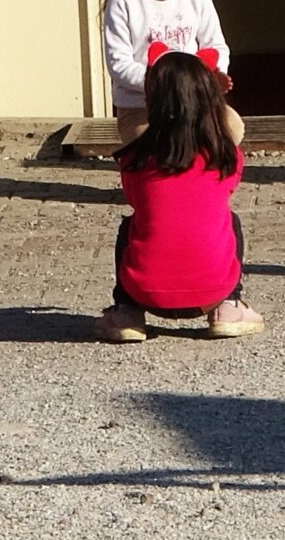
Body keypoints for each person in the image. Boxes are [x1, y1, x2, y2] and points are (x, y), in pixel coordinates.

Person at [96, 47, 264, 343]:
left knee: (131, 224)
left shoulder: (135, 159)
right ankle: (229, 306)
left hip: (144, 291)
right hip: (211, 292)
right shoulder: (226, 156)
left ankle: (128, 312)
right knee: (229, 218)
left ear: (152, 99)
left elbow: (139, 203)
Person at [102, 0, 231, 141]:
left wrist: (210, 76)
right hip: (142, 107)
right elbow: (119, 65)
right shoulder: (123, 0)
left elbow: (216, 45)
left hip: (193, 102)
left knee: (232, 129)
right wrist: (170, 85)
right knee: (157, 142)